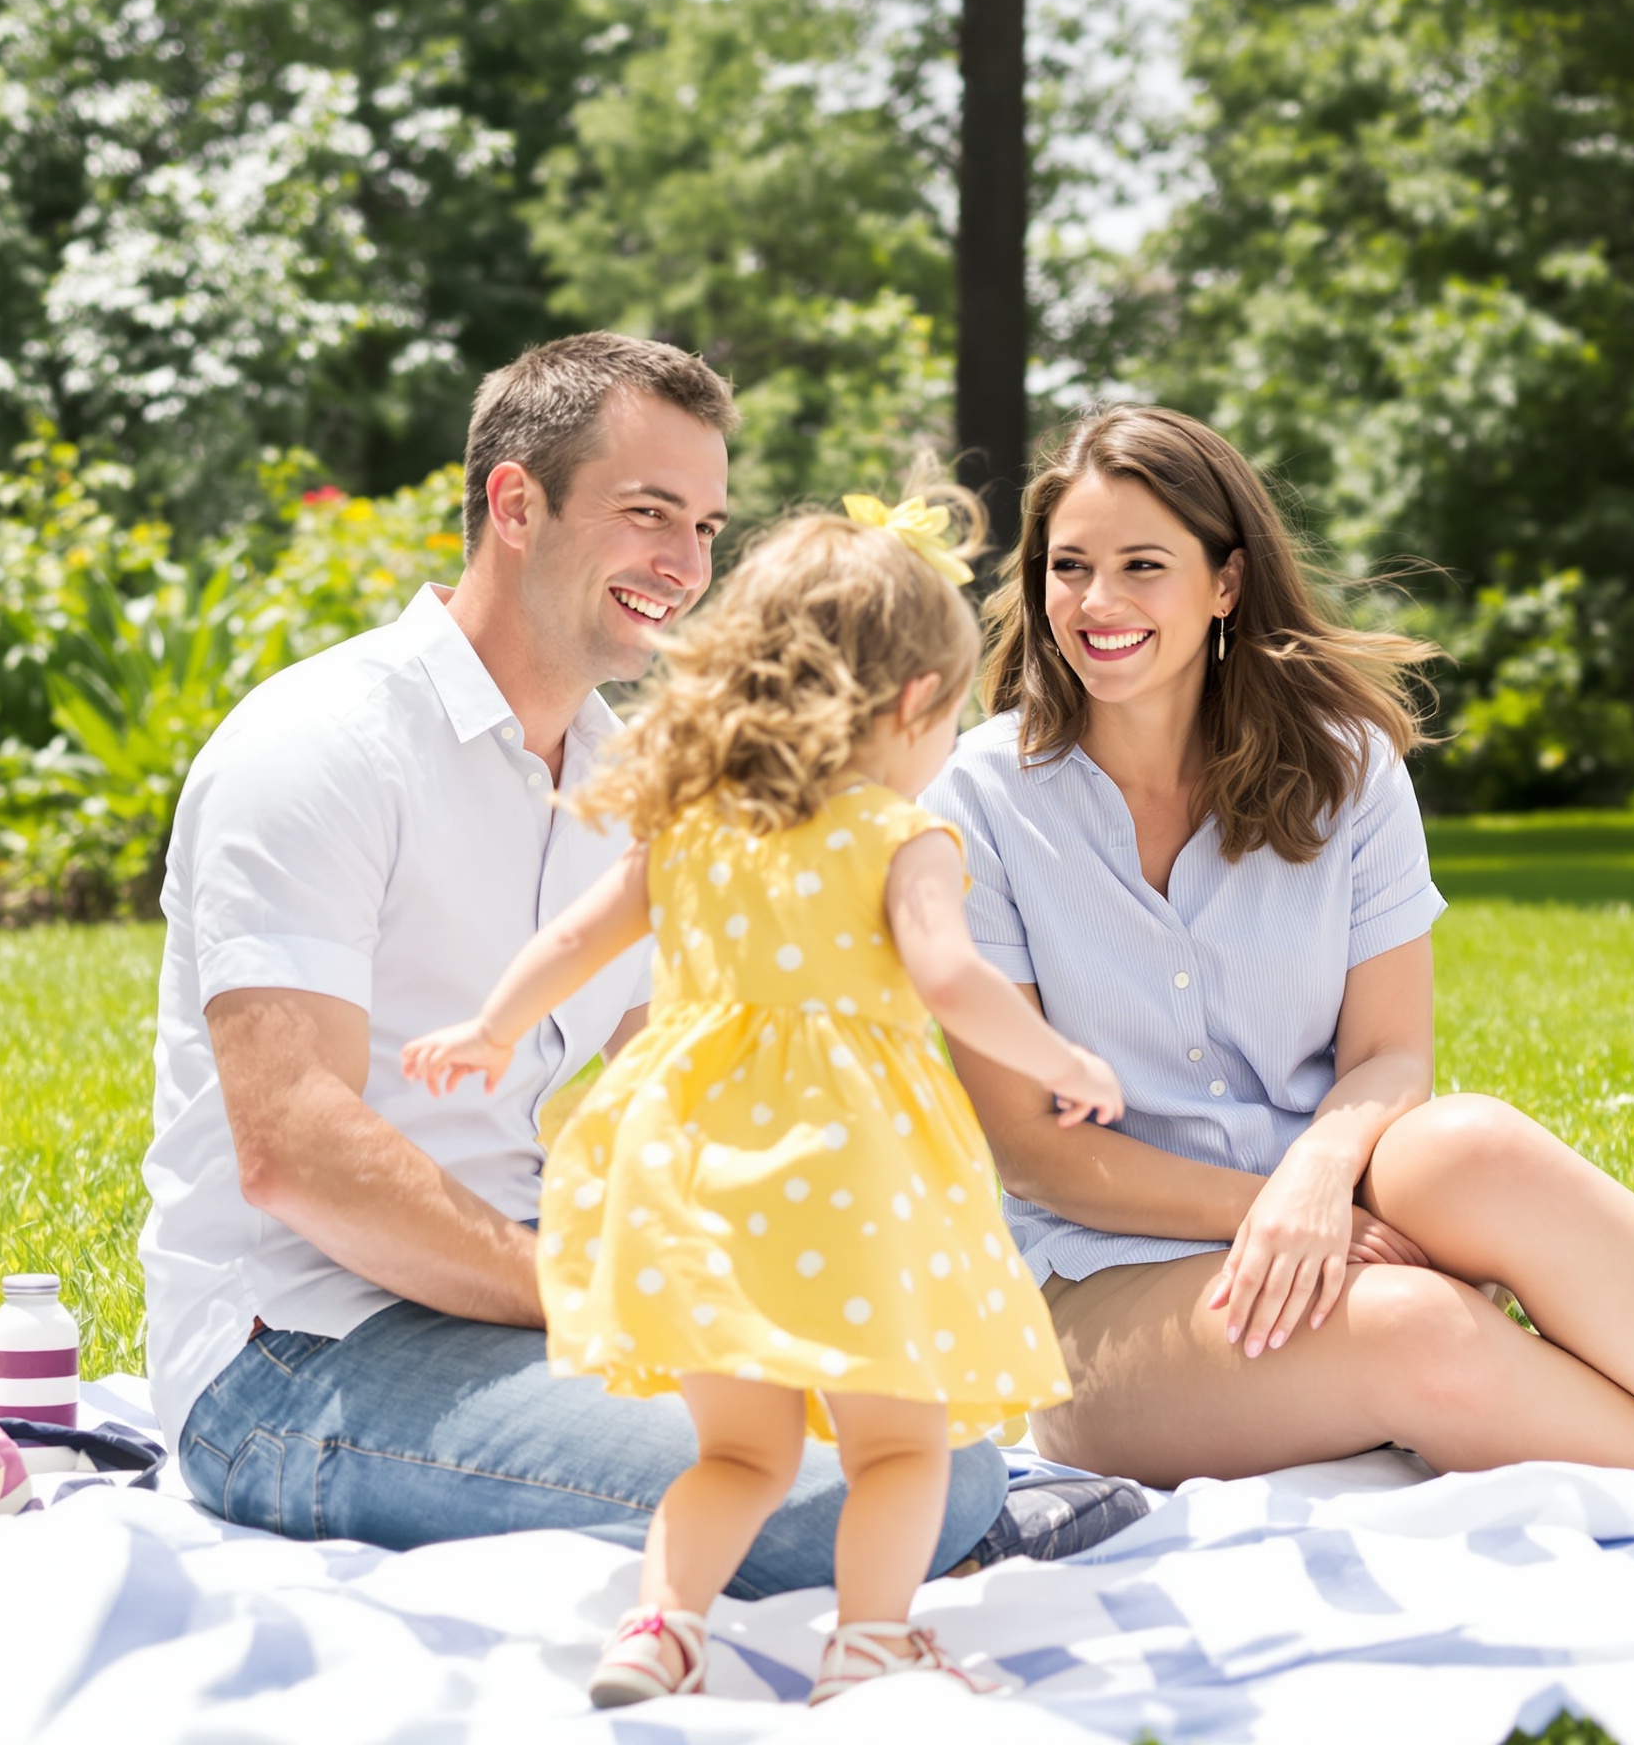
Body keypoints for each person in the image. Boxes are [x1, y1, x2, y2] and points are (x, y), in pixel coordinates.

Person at [926, 402, 1634, 1500]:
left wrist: (1318, 1178)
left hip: (1339, 1206)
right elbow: (1034, 1152)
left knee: (1468, 1141)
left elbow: (1388, 1056)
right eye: (1067, 565)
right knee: (1420, 1323)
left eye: (1141, 564)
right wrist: (1265, 1205)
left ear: (1225, 580)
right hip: (1106, 1290)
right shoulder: (982, 792)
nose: (1095, 598)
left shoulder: (1343, 764)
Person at [137, 334, 1030, 1591]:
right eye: (648, 513)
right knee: (854, 1483)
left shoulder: (634, 782)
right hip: (295, 1356)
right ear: (516, 503)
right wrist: (604, 1295)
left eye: (709, 526)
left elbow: (700, 1073)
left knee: (925, 1426)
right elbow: (294, 1145)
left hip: (508, 1291)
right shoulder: (319, 746)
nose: (686, 565)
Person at [402, 496, 1120, 1706]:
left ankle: (660, 1629)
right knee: (900, 1443)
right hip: (849, 1176)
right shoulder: (901, 834)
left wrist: (492, 1028)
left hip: (697, 1174)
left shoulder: (691, 828)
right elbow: (949, 976)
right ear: (907, 707)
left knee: (739, 1448)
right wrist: (1061, 1060)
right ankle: (869, 1641)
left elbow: (576, 933)